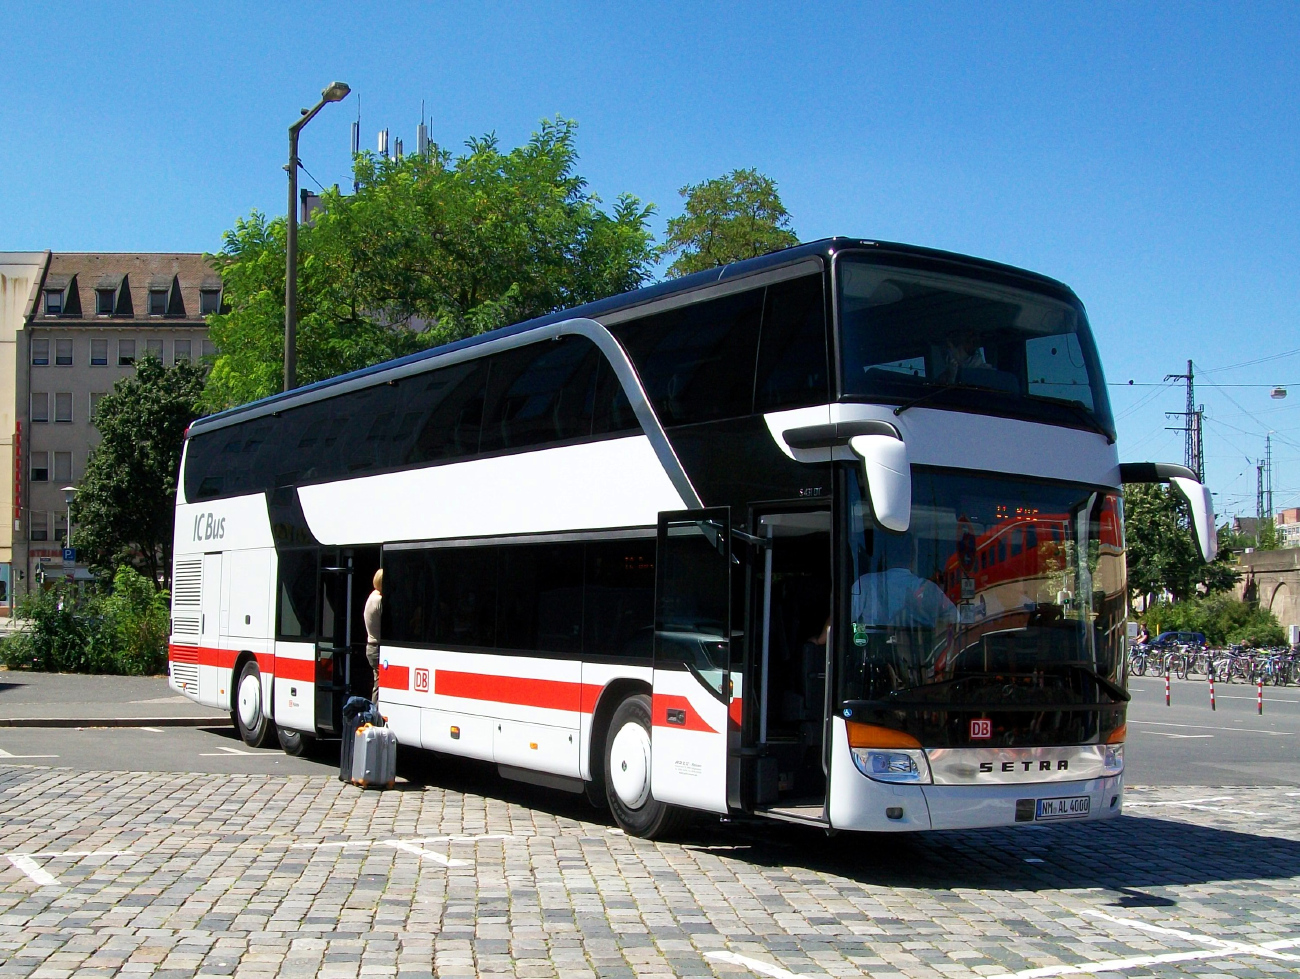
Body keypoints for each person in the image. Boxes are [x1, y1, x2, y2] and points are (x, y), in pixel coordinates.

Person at [364, 569, 383, 703]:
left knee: (378, 681)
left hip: (371, 646)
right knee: (380, 683)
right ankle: (375, 712)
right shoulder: (379, 600)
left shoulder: (372, 596)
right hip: (376, 647)